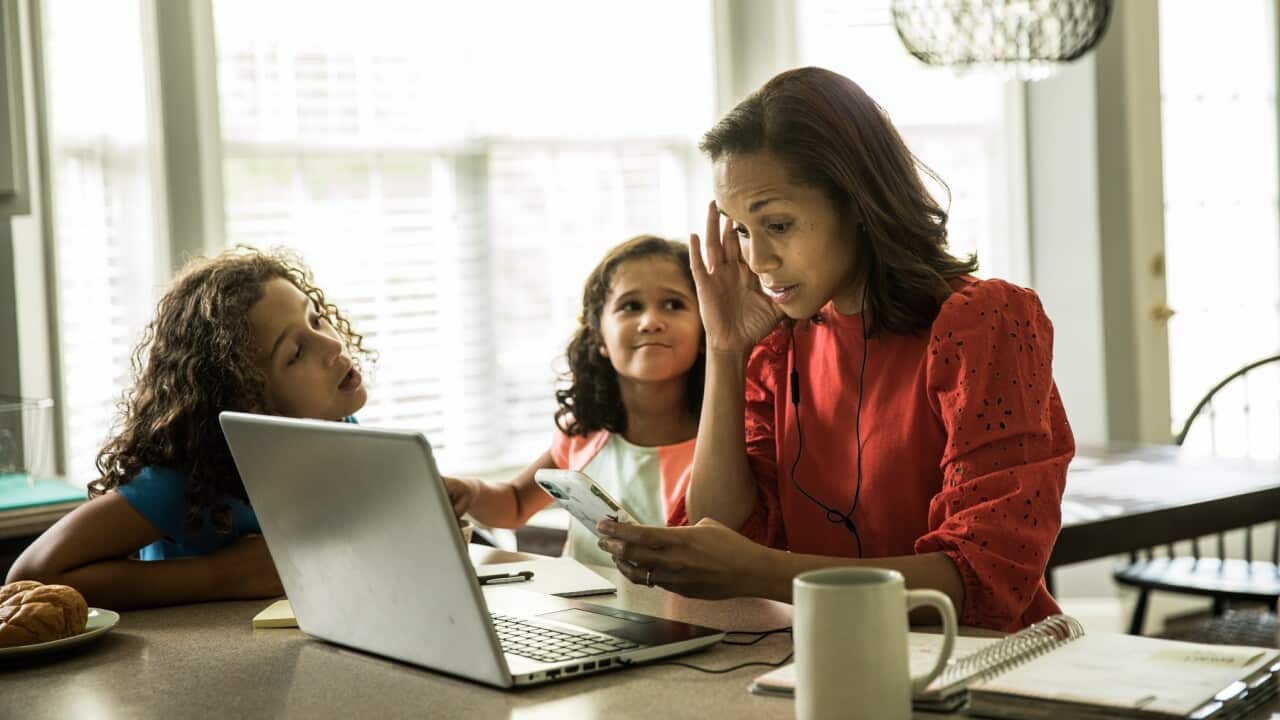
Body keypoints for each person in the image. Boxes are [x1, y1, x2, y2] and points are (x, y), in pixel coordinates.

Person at [595, 67, 1074, 632]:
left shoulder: (983, 321)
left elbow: (983, 576)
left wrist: (767, 573)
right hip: (828, 658)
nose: (757, 260)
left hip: (976, 668)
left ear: (856, 202)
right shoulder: (777, 346)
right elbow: (717, 526)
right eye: (742, 231)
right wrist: (725, 349)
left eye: (777, 223)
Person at [7, 247, 372, 609]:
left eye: (317, 318)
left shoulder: (341, 430)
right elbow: (32, 576)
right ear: (245, 396)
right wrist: (220, 575)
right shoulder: (190, 482)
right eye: (295, 353)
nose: (332, 344)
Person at [445, 235, 705, 566]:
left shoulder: (723, 443)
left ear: (705, 331)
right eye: (630, 306)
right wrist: (471, 490)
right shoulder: (582, 432)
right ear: (599, 337)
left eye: (673, 304)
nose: (650, 322)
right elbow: (514, 504)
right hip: (580, 613)